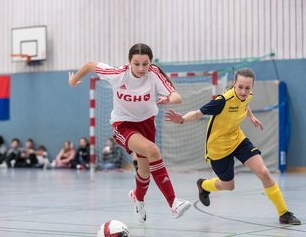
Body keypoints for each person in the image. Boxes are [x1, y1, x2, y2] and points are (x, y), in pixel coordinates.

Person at [68, 43, 191, 222]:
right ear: (129, 62)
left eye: (145, 63)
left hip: (147, 124)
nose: (141, 68)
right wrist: (73, 80)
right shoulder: (118, 74)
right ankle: (173, 203)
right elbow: (90, 65)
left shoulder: (154, 73)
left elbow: (177, 97)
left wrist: (169, 99)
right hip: (123, 125)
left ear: (150, 62)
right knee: (153, 150)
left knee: (145, 172)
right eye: (137, 63)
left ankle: (137, 197)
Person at [165, 68, 301, 225]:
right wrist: (181, 119)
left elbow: (245, 103)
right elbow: (197, 113)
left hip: (237, 139)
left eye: (247, 87)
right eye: (240, 87)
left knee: (264, 172)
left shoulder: (248, 95)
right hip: (218, 148)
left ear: (252, 87)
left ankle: (284, 213)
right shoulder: (222, 101)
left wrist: (252, 117)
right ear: (234, 85)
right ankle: (203, 185)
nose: (243, 91)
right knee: (228, 185)